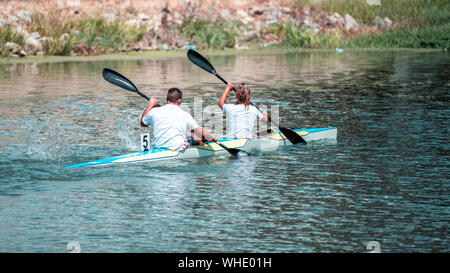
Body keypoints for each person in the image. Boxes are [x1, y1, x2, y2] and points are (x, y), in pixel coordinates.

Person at [140, 88, 217, 150]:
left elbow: (142, 123)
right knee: (196, 136)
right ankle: (204, 154)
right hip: (177, 148)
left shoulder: (154, 111)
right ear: (179, 100)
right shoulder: (185, 114)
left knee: (191, 136)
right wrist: (211, 137)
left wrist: (151, 105)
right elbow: (199, 132)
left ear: (167, 99)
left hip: (158, 147)